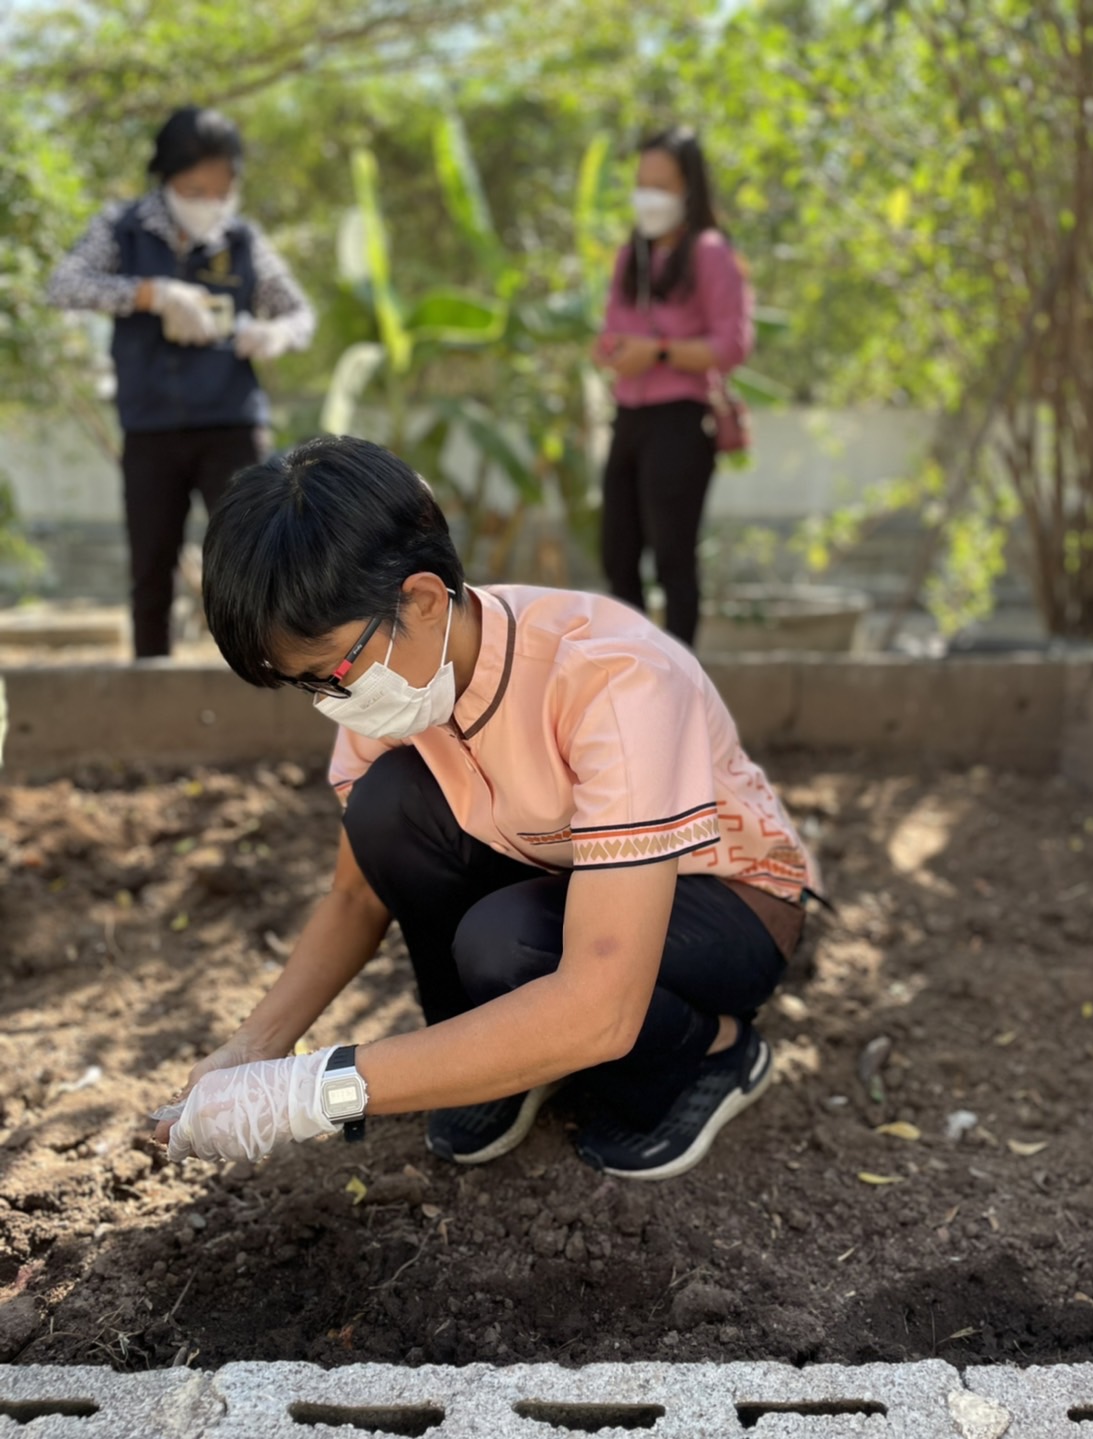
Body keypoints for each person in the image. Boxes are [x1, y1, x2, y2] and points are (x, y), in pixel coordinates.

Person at [156, 435, 817, 1181]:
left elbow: (601, 998)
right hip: (568, 882)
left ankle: (715, 1050)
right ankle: (504, 1058)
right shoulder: (388, 697)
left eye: (332, 673)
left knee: (512, 948)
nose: (328, 703)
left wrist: (318, 1092)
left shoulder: (611, 679)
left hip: (727, 902)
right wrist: (252, 1051)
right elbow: (356, 895)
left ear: (423, 599)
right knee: (388, 810)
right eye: (305, 685)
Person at [48, 106, 316, 659]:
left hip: (232, 424)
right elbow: (64, 285)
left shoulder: (242, 240)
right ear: (168, 178)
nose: (209, 203)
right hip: (150, 426)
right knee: (151, 565)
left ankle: (267, 672)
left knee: (254, 556)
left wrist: (271, 335)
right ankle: (151, 681)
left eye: (221, 191)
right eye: (196, 189)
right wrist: (151, 294)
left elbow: (299, 315)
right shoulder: (122, 228)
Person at [594, 126, 753, 648]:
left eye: (661, 185)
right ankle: (632, 663)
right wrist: (614, 350)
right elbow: (615, 329)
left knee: (672, 557)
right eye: (642, 183)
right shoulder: (630, 257)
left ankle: (680, 675)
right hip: (630, 417)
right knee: (617, 551)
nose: (648, 197)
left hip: (681, 418)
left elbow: (732, 344)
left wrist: (659, 351)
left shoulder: (709, 253)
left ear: (689, 189)